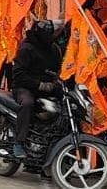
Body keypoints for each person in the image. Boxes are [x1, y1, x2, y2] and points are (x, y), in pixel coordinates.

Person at [10, 20, 65, 159]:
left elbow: (60, 69)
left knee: (66, 101)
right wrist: (39, 85)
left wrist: (59, 81)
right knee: (27, 103)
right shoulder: (26, 48)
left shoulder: (54, 49)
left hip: (48, 87)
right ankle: (19, 142)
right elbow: (18, 75)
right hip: (24, 87)